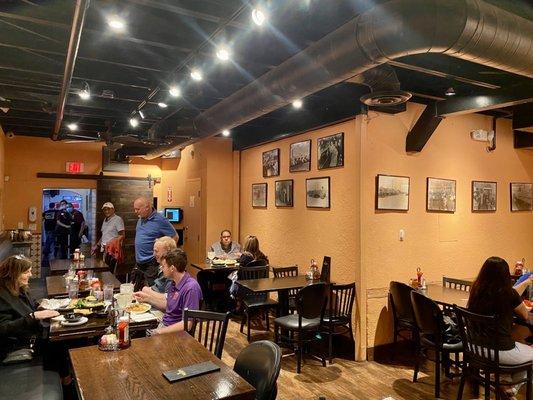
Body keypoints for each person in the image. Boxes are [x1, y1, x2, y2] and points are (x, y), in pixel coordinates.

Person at [468, 256, 533, 399]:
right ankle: (511, 388)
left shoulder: (475, 290)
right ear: (505, 275)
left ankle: (504, 381)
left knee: (516, 338)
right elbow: (525, 316)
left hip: (475, 349)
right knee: (529, 349)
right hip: (498, 351)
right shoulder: (508, 294)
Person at [0, 255, 72, 386]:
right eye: (26, 272)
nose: (31, 275)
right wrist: (34, 316)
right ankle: (66, 383)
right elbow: (4, 328)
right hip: (18, 346)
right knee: (60, 342)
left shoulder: (19, 289)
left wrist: (41, 306)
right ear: (14, 274)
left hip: (32, 336)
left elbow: (31, 304)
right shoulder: (2, 296)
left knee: (65, 338)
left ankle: (65, 379)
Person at [133, 249, 202, 335]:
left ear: (172, 268)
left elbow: (188, 324)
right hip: (164, 326)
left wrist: (160, 332)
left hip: (174, 335)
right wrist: (147, 299)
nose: (162, 269)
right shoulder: (174, 282)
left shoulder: (191, 288)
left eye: (164, 266)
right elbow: (169, 306)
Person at [133, 197, 179, 290]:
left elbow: (175, 237)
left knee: (153, 290)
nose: (135, 212)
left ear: (147, 207)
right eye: (134, 209)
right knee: (134, 289)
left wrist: (165, 255)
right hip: (139, 262)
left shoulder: (160, 220)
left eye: (138, 209)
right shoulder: (141, 218)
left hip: (152, 262)